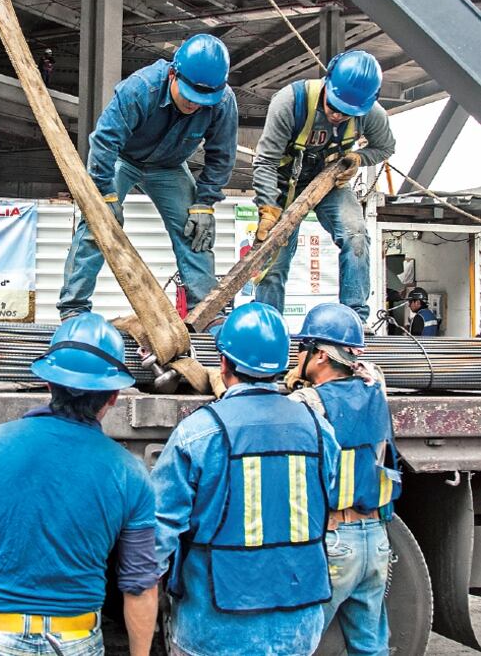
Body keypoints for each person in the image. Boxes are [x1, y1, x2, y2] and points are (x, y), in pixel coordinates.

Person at [0, 313, 159, 656]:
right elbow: (140, 588)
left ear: (48, 383)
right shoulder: (130, 473)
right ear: (114, 396)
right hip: (75, 638)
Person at [153, 301, 339, 656]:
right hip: (298, 631)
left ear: (223, 364)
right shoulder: (319, 430)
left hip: (214, 630)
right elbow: (324, 497)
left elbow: (159, 535)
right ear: (284, 364)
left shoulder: (199, 433)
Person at [57, 33, 238, 320]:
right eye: (190, 96)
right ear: (172, 74)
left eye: (204, 101)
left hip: (170, 166)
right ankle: (74, 308)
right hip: (123, 158)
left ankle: (204, 311)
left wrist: (205, 203)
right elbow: (104, 143)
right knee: (98, 222)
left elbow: (222, 156)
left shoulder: (222, 102)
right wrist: (105, 193)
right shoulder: (141, 88)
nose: (195, 105)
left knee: (195, 231)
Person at [284, 303, 400, 656]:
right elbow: (372, 373)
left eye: (302, 349)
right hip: (376, 541)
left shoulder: (307, 401)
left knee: (297, 641)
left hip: (336, 542)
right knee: (370, 646)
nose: (297, 357)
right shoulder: (375, 391)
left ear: (319, 355)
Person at [251, 50, 396, 324]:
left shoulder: (370, 113)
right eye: (334, 106)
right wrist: (268, 208)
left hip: (331, 181)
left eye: (348, 112)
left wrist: (358, 158)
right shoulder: (290, 102)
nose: (339, 116)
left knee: (356, 236)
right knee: (274, 258)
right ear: (327, 82)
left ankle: (355, 319)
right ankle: (266, 324)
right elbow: (266, 162)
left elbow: (385, 147)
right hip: (284, 185)